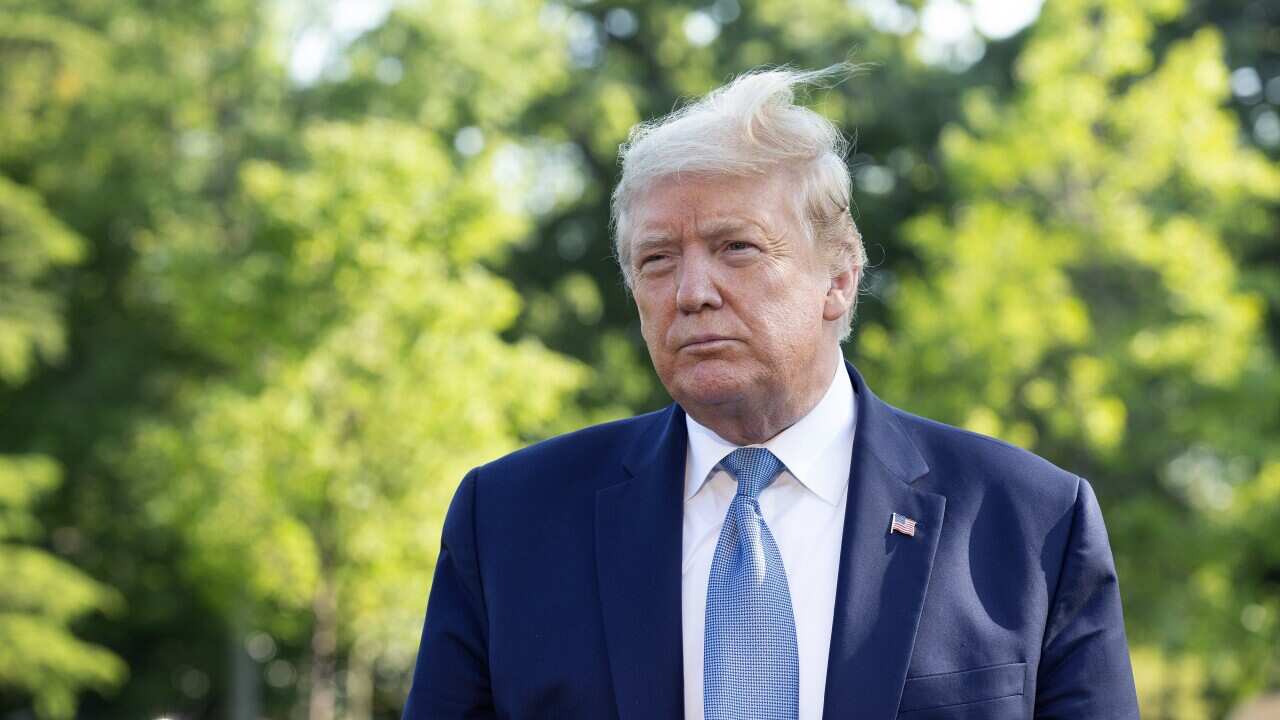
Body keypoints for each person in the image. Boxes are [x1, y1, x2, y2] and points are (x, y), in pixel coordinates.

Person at [401, 65, 1140, 720]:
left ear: (840, 277)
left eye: (737, 248)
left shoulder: (1031, 522)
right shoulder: (509, 522)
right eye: (657, 259)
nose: (692, 292)